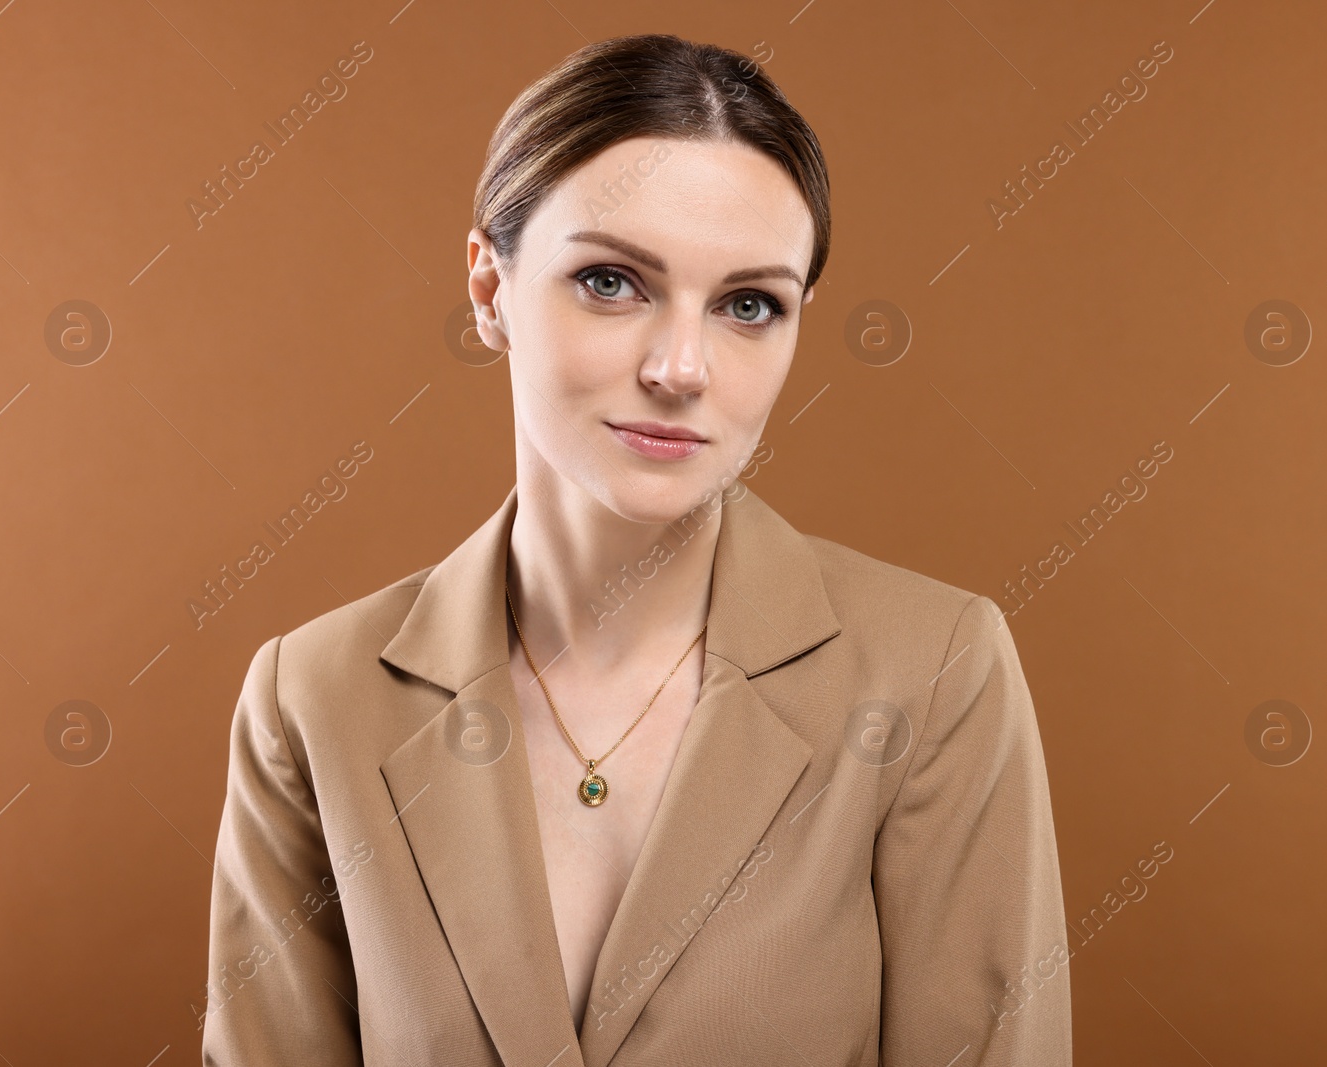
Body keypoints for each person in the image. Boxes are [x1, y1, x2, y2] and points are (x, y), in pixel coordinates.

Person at [203, 31, 1071, 1067]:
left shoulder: (934, 671)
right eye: (612, 282)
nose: (681, 366)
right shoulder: (314, 696)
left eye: (749, 305)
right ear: (490, 288)